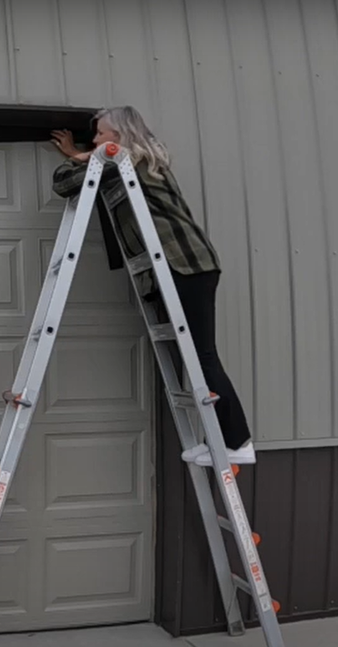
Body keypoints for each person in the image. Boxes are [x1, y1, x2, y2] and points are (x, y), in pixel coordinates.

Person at [49, 106, 254, 466]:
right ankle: (223, 441)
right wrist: (82, 155)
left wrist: (80, 156)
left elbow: (63, 182)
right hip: (188, 266)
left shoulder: (129, 161)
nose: (95, 140)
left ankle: (237, 442)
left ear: (118, 136)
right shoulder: (135, 161)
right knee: (196, 356)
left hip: (185, 265)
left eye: (100, 134)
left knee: (202, 356)